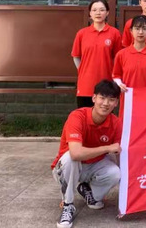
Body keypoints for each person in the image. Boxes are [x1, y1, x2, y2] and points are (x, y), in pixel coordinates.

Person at [51, 80, 123, 228]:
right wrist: (107, 148)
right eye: (102, 98)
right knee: (71, 158)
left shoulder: (116, 123)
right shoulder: (77, 117)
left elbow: (120, 155)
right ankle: (68, 205)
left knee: (116, 172)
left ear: (116, 103)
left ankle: (88, 191)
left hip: (92, 166)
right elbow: (76, 154)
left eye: (111, 99)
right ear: (94, 98)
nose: (106, 103)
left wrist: (127, 198)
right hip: (66, 169)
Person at [71, 0, 122, 108]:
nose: (98, 13)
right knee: (85, 114)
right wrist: (82, 70)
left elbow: (118, 59)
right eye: (94, 10)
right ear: (90, 13)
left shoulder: (114, 33)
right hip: (85, 84)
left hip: (106, 83)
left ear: (107, 12)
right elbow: (76, 56)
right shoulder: (82, 33)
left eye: (102, 10)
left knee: (105, 114)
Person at [112, 15, 146, 92]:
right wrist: (119, 84)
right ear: (131, 31)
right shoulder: (121, 54)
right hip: (128, 96)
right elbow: (116, 76)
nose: (140, 32)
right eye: (137, 28)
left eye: (144, 28)